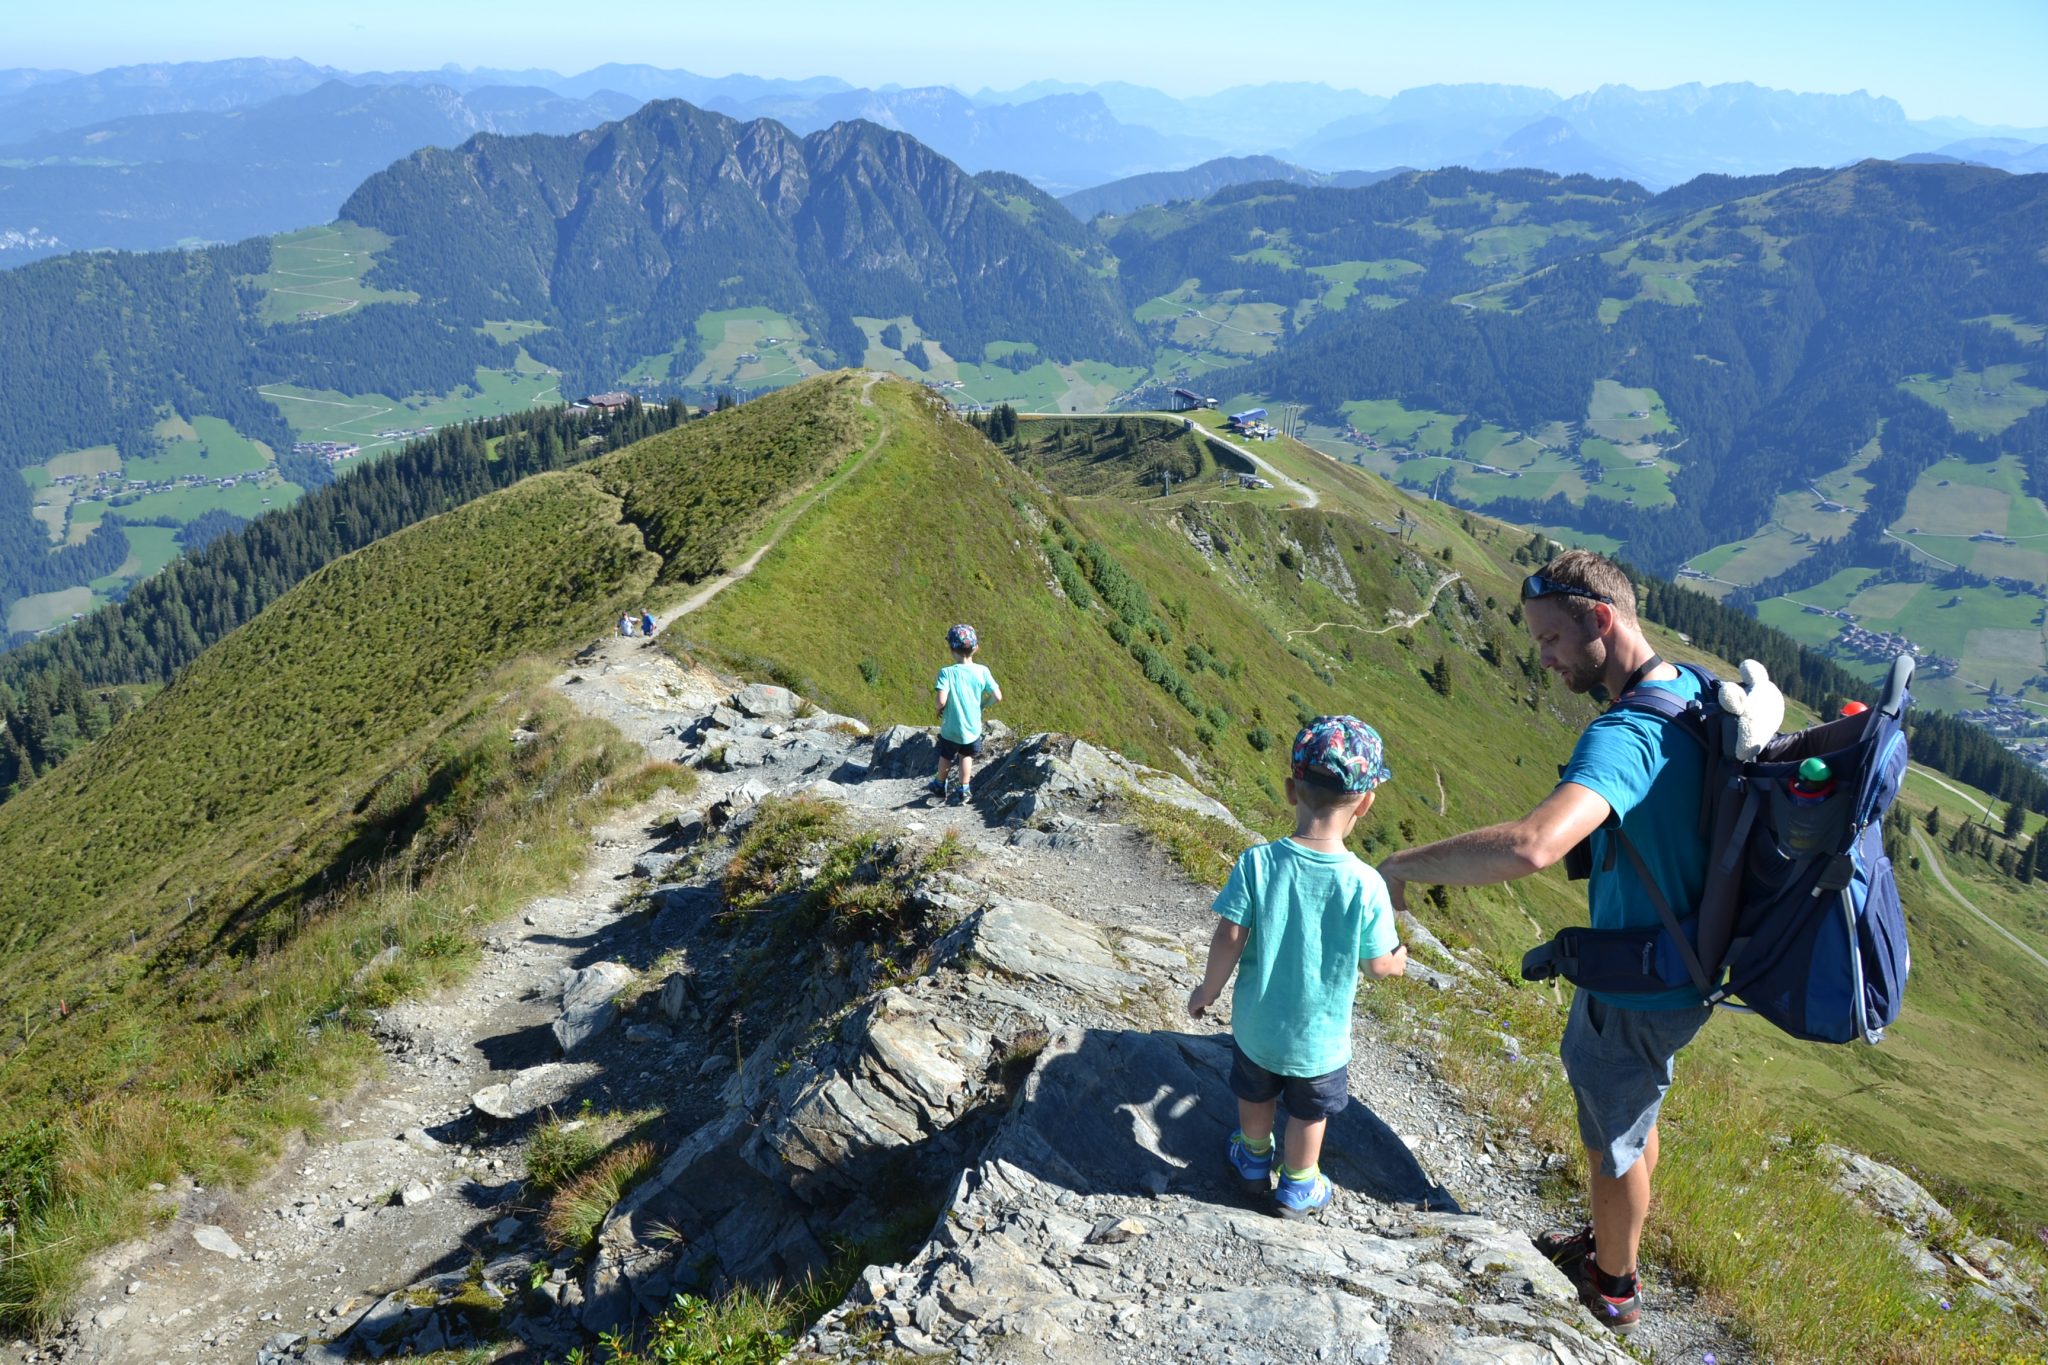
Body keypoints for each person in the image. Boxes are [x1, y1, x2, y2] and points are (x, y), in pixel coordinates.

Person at [1377, 548, 1712, 1337]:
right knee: (1630, 1118)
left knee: (1613, 1146)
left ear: (1603, 619)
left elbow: (1535, 845)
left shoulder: (1625, 736)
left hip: (1641, 980)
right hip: (1687, 955)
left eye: (1553, 639)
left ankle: (1614, 1286)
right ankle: (1609, 1244)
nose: (1546, 658)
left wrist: (1403, 863)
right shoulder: (1690, 688)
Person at [1187, 716, 1407, 1219]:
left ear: (1291, 790)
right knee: (1309, 1112)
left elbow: (1230, 936)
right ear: (1367, 803)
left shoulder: (1257, 862)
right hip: (1320, 1039)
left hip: (1257, 1026)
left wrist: (1208, 990)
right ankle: (1299, 1185)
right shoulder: (1366, 884)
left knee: (1255, 1091)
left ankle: (1252, 1158)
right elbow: (1376, 964)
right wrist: (1397, 962)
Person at [932, 624, 1001, 805]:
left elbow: (941, 701)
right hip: (972, 729)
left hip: (951, 729)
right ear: (976, 648)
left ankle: (940, 785)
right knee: (966, 756)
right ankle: (964, 789)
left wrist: (938, 709)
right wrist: (983, 705)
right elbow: (997, 696)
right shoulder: (982, 671)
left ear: (951, 649)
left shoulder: (946, 673)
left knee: (946, 756)